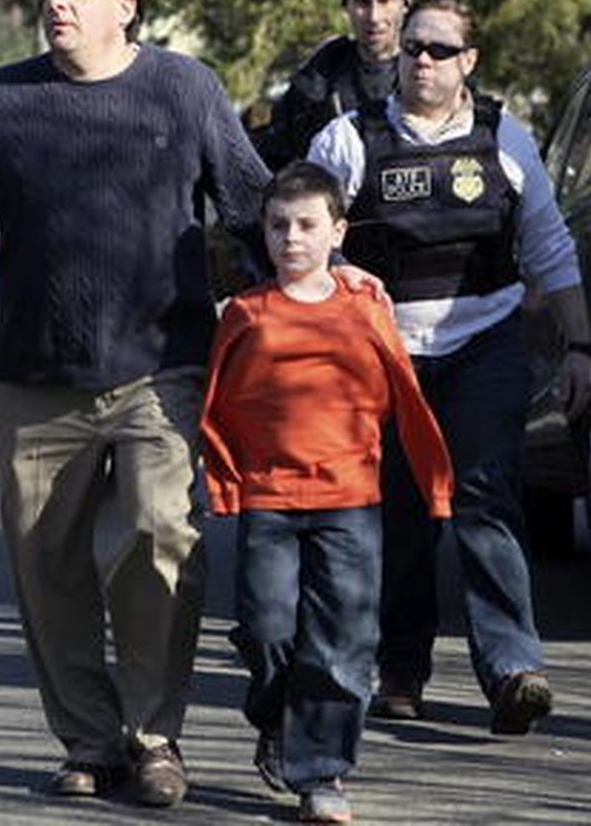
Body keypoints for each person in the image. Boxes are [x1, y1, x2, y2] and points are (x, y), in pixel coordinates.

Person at [0, 0, 271, 808]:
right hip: (35, 379)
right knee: (48, 569)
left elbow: (253, 203)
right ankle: (89, 740)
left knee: (159, 536)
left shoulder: (185, 89)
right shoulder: (2, 99)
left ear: (126, 6)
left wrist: (312, 295)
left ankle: (155, 736)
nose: (56, 1)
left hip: (160, 369)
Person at [306, 0, 591, 735]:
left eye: (439, 49)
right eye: (412, 48)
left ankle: (513, 670)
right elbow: (303, 239)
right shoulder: (348, 140)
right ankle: (401, 671)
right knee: (400, 516)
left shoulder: (504, 137)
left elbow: (549, 246)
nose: (422, 61)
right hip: (385, 357)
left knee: (486, 500)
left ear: (469, 60)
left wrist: (582, 347)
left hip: (485, 345)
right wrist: (335, 281)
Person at [200, 162, 452, 824]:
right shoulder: (245, 315)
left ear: (338, 232)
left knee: (343, 639)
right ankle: (277, 716)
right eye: (278, 226)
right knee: (266, 628)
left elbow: (406, 399)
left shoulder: (365, 308)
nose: (291, 238)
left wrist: (434, 487)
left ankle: (321, 772)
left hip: (348, 498)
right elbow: (214, 409)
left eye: (307, 225)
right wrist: (226, 484)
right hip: (269, 499)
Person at [256, 0, 413, 172]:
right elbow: (278, 157)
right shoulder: (317, 80)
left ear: (404, 6)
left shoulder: (430, 69)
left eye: (384, 1)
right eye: (362, 3)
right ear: (347, 8)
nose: (374, 16)